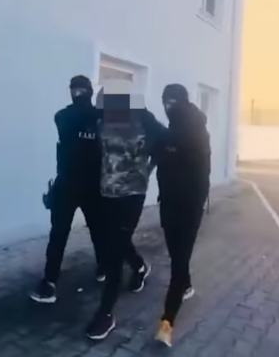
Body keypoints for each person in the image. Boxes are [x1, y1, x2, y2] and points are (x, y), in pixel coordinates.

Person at [85, 82, 166, 340]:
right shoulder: (102, 120)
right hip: (106, 192)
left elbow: (164, 142)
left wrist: (148, 168)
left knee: (114, 251)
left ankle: (105, 313)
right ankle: (139, 266)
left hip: (132, 194)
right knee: (116, 240)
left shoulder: (144, 121)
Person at [30, 75, 107, 304]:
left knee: (62, 234)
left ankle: (50, 282)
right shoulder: (98, 117)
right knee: (90, 231)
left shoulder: (64, 116)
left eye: (78, 90)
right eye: (77, 90)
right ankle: (54, 280)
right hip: (84, 185)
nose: (77, 94)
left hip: (73, 184)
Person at [155, 84, 211, 347]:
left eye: (172, 103)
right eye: (165, 102)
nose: (168, 107)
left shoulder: (197, 131)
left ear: (182, 102)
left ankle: (167, 322)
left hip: (188, 208)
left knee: (178, 261)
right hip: (168, 204)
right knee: (176, 254)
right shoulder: (169, 132)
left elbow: (202, 174)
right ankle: (186, 285)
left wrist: (196, 204)